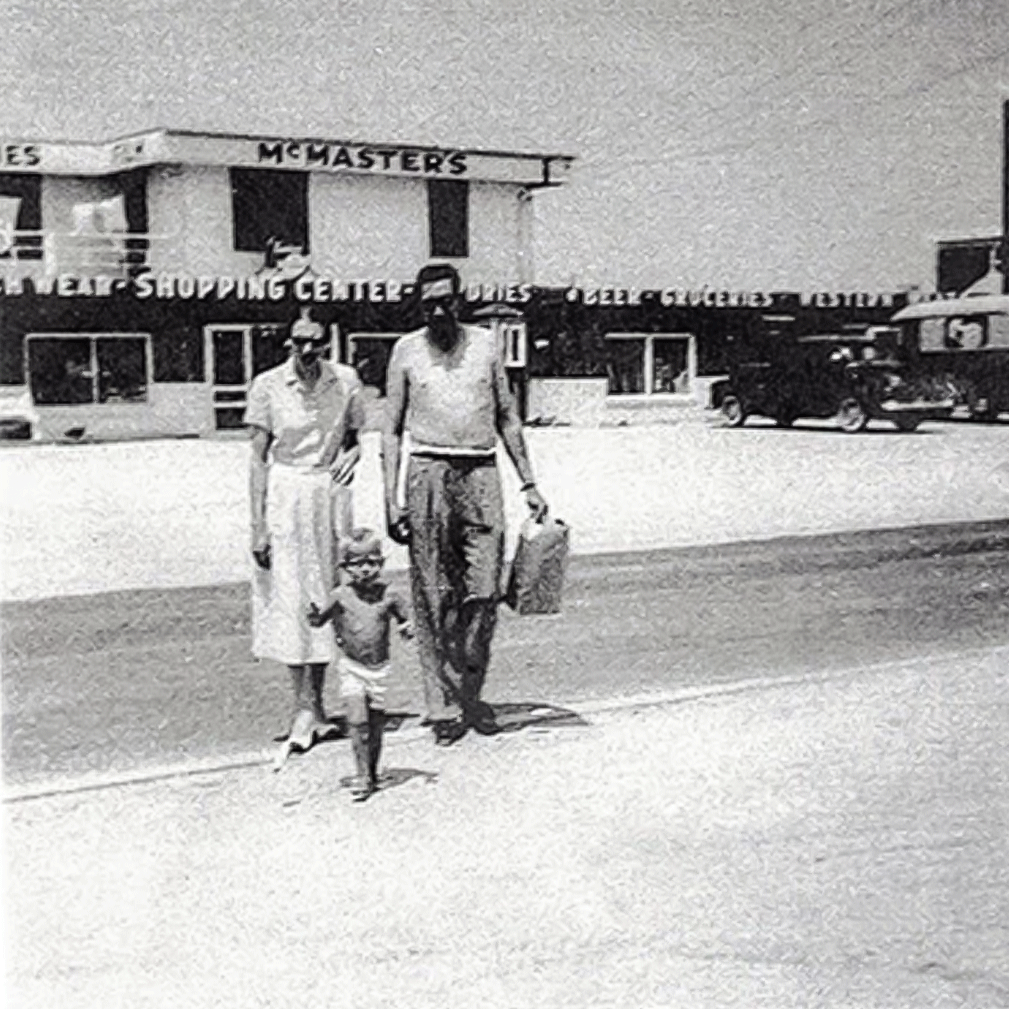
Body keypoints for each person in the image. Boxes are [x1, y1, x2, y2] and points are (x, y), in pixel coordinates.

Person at [382, 262, 548, 746]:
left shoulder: (486, 345)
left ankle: (472, 693)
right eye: (429, 301)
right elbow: (390, 431)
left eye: (446, 300)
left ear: (460, 300)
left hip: (480, 471)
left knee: (484, 593)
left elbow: (508, 418)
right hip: (427, 471)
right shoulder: (406, 350)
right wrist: (390, 498)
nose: (438, 309)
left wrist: (530, 484)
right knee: (433, 596)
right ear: (420, 304)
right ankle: (445, 706)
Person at [245, 309, 365, 769]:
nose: (308, 350)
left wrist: (353, 453)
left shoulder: (347, 381)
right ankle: (302, 709)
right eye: (299, 342)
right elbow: (257, 459)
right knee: (292, 595)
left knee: (325, 595)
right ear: (287, 344)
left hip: (330, 495)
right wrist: (256, 525)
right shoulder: (268, 385)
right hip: (287, 495)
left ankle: (317, 708)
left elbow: (355, 435)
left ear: (327, 342)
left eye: (316, 341)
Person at [307, 528, 413, 800]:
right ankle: (362, 774)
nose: (365, 569)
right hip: (352, 667)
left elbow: (404, 618)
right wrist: (313, 615)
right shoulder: (340, 595)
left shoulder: (389, 594)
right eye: (357, 564)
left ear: (382, 563)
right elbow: (319, 622)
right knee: (357, 721)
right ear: (344, 567)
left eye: (372, 562)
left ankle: (373, 771)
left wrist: (406, 627)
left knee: (376, 725)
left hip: (379, 670)